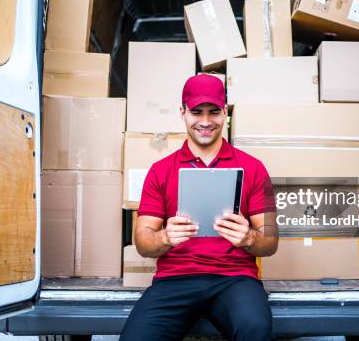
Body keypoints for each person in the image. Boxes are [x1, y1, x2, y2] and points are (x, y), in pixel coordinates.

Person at [119, 73, 278, 341]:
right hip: (175, 279)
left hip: (234, 278)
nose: (205, 122)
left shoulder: (254, 167)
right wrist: (165, 237)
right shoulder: (160, 171)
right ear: (182, 112)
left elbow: (271, 239)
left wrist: (249, 237)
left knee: (255, 329)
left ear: (225, 113)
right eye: (196, 112)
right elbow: (143, 243)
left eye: (214, 112)